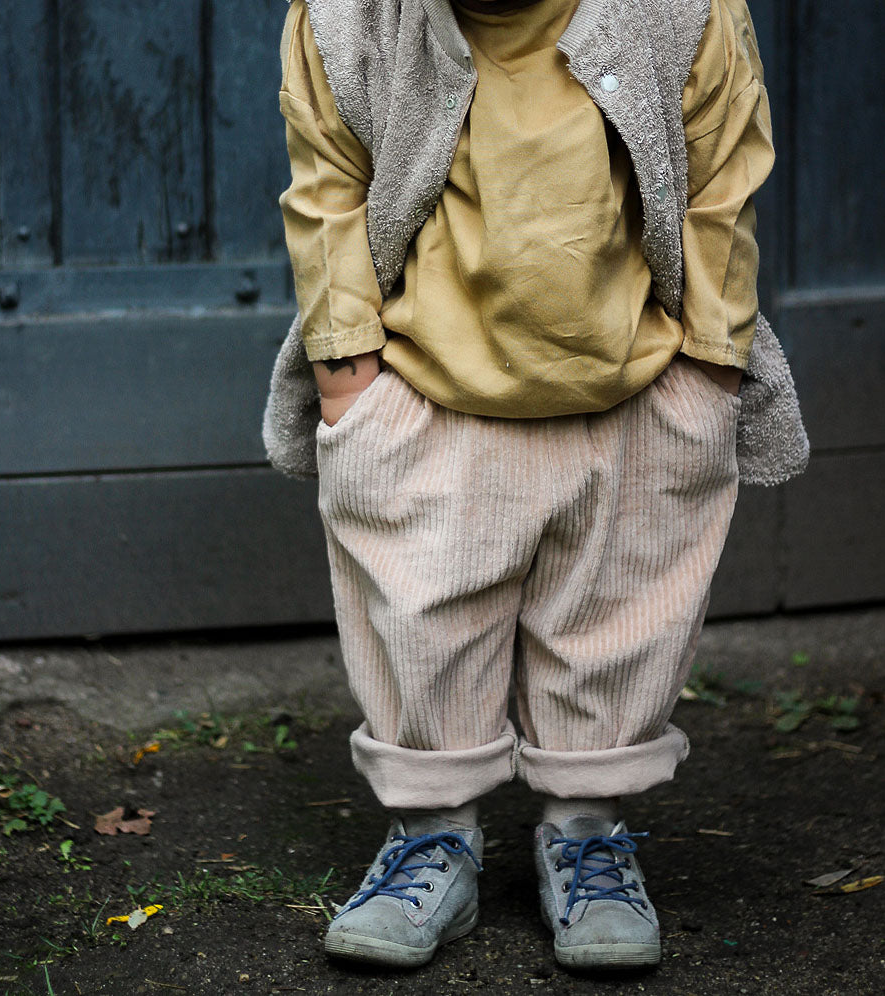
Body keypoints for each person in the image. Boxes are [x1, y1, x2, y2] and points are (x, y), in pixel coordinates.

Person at [263, 0, 808, 973]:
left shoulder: (680, 11)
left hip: (631, 383)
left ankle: (587, 833)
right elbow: (328, 185)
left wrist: (712, 367)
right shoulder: (349, 19)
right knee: (419, 620)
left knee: (616, 622)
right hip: (430, 385)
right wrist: (348, 377)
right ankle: (433, 836)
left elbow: (722, 173)